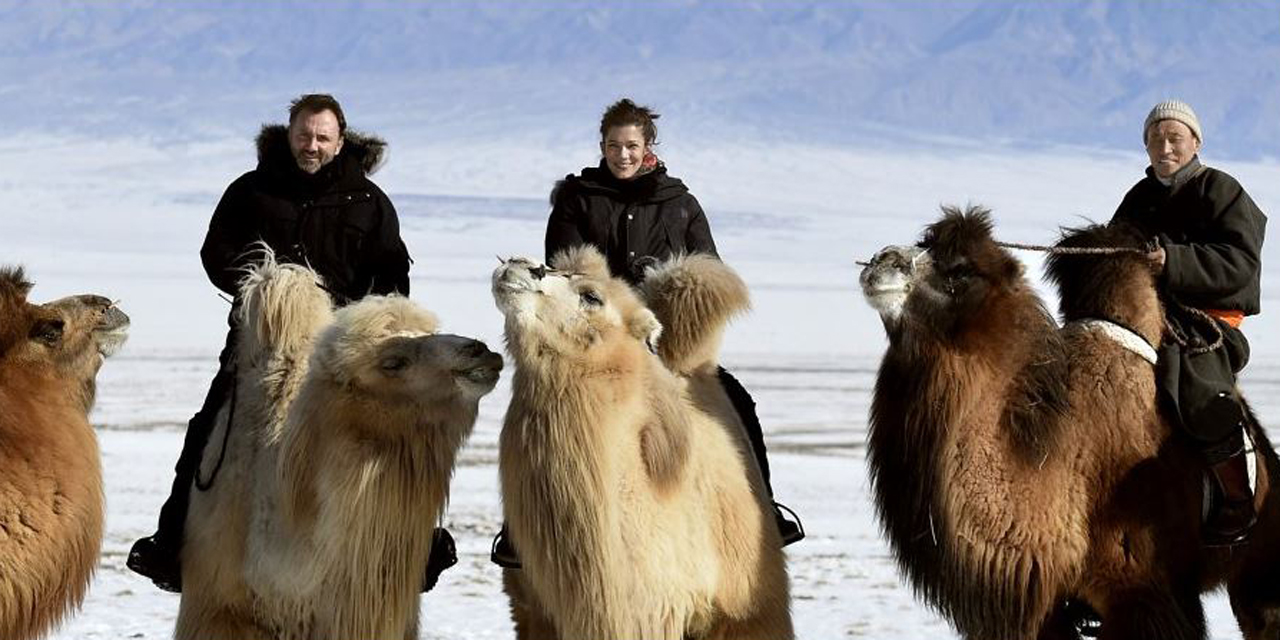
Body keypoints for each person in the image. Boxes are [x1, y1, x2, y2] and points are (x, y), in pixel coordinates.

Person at [127, 94, 455, 591]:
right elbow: (215, 252)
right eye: (304, 135)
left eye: (322, 137)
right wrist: (267, 291)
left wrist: (353, 316)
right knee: (207, 427)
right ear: (288, 135)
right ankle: (170, 545)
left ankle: (415, 547)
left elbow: (392, 279)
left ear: (340, 141)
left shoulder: (369, 203)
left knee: (396, 429)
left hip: (340, 350)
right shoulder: (251, 190)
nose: (312, 145)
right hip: (260, 343)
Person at [489, 98, 804, 569]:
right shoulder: (577, 200)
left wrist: (675, 296)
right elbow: (563, 273)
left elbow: (709, 270)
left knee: (737, 402)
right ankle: (521, 526)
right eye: (614, 146)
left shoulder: (679, 204)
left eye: (631, 146)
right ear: (602, 146)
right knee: (540, 411)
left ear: (648, 146)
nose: (623, 155)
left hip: (667, 343)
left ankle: (764, 509)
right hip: (598, 342)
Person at [1110, 99, 1267, 546]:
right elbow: (1114, 249)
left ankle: (1237, 497)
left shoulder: (1221, 190)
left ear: (1196, 142)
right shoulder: (1138, 199)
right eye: (1155, 139)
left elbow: (1240, 263)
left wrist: (1173, 263)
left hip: (1207, 326)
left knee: (1198, 390)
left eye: (1174, 138)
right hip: (1146, 319)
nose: (1165, 147)